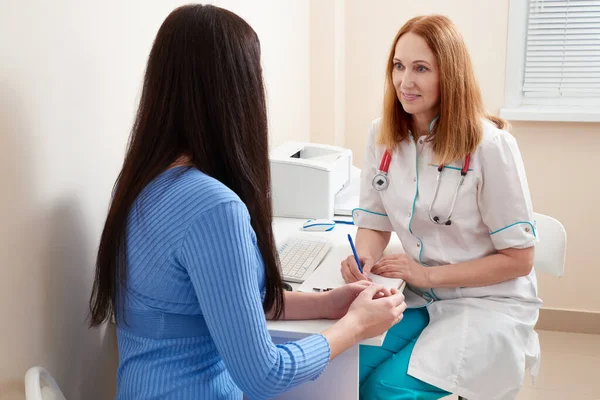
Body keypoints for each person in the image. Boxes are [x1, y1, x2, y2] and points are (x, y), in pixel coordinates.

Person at [88, 5, 406, 400]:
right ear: (236, 91)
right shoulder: (213, 206)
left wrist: (328, 303)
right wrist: (355, 325)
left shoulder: (141, 182)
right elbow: (266, 376)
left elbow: (223, 306)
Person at [340, 15, 542, 400]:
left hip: (486, 303)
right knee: (343, 370)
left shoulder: (490, 146)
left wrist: (427, 276)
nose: (405, 81)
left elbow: (519, 260)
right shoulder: (382, 135)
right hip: (418, 294)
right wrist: (363, 257)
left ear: (448, 74)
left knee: (381, 391)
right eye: (398, 66)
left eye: (421, 68)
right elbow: (374, 220)